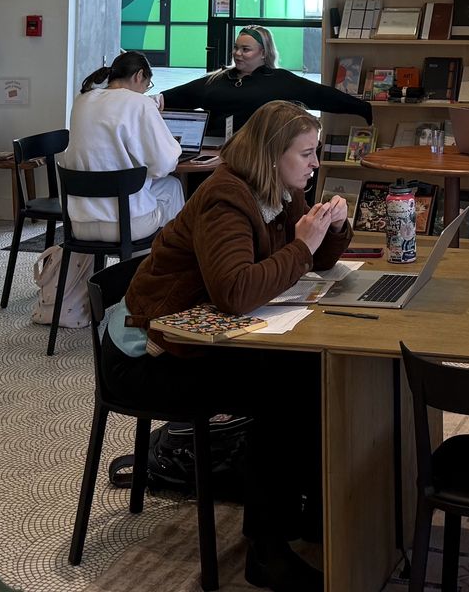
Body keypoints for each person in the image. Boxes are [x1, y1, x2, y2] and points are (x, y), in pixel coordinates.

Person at [103, 101, 351, 592]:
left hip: (196, 339)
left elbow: (314, 261)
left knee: (312, 372)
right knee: (282, 389)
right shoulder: (226, 197)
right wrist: (302, 245)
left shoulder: (280, 189)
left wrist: (333, 228)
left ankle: (307, 513)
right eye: (306, 154)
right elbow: (235, 292)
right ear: (272, 155)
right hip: (148, 355)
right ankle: (267, 549)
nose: (315, 163)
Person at [57, 51, 187, 247]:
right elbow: (164, 165)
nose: (145, 91)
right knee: (172, 186)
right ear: (139, 75)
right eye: (147, 85)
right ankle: (160, 260)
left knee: (156, 188)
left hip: (79, 223)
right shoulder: (140, 103)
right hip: (127, 224)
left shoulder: (82, 99)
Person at [159, 25, 372, 141]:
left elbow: (320, 95)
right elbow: (176, 97)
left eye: (245, 49)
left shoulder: (280, 81)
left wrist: (361, 108)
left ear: (263, 53)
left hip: (258, 156)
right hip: (214, 152)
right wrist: (151, 102)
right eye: (236, 48)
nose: (237, 54)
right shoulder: (217, 79)